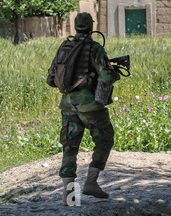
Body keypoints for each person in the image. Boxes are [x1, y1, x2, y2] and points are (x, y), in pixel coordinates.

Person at [47, 12, 120, 206]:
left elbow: (50, 80)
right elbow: (106, 77)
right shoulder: (94, 48)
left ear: (75, 26)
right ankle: (90, 182)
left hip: (68, 105)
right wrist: (114, 73)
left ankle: (69, 196)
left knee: (70, 146)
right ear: (91, 27)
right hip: (89, 104)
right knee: (105, 138)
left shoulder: (64, 47)